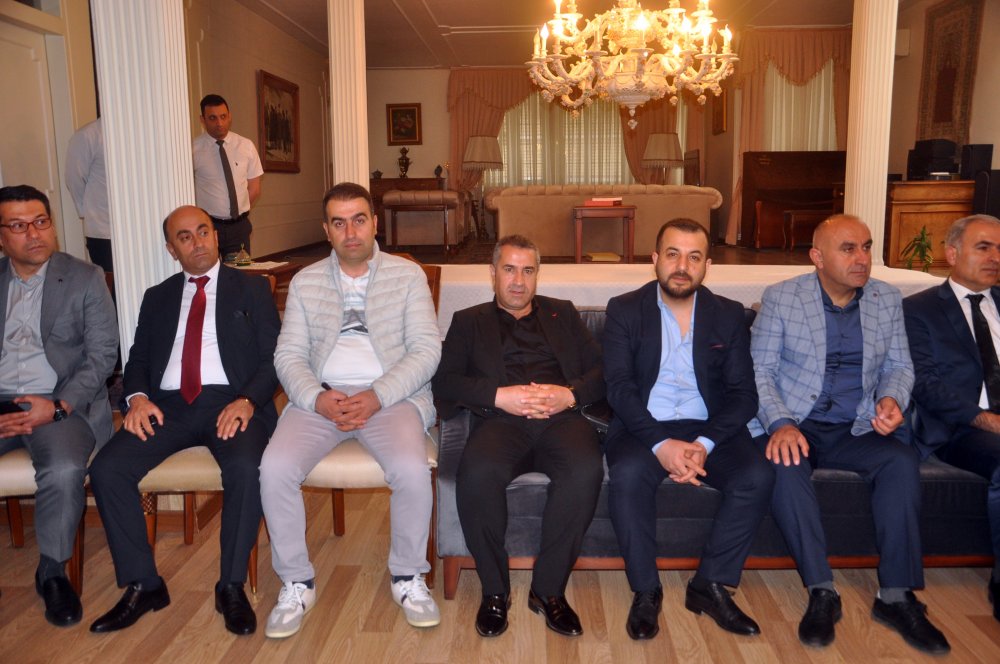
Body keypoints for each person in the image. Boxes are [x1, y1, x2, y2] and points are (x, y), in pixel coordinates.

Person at [750, 214, 949, 654]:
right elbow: (759, 371)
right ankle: (822, 590)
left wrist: (891, 400)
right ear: (817, 257)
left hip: (855, 425)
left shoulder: (886, 299)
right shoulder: (783, 298)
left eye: (866, 247)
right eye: (848, 249)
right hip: (796, 422)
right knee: (784, 466)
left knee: (900, 461)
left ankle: (895, 596)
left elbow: (900, 366)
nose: (862, 258)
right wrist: (781, 423)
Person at [260, 182, 441, 639]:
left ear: (374, 223)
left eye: (359, 219)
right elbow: (289, 355)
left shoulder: (407, 275)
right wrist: (315, 397)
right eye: (339, 223)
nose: (351, 231)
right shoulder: (306, 282)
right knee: (274, 468)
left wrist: (378, 394)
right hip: (321, 400)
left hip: (392, 398)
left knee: (411, 469)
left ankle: (407, 576)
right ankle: (296, 582)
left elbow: (426, 350)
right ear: (326, 230)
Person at [88, 205, 280, 636]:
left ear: (216, 235)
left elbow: (274, 358)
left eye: (203, 231)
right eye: (185, 237)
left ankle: (230, 586)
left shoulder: (252, 289)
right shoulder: (157, 297)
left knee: (247, 467)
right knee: (107, 468)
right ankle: (144, 584)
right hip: (167, 407)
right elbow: (137, 360)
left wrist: (248, 400)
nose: (198, 243)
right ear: (171, 249)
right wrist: (137, 399)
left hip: (230, 401)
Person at [603, 219, 774, 641]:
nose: (682, 266)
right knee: (627, 475)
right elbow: (620, 390)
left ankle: (709, 585)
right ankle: (646, 590)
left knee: (756, 475)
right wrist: (661, 444)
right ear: (655, 259)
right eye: (673, 255)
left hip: (707, 427)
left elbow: (744, 396)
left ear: (707, 265)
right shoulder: (624, 309)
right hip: (644, 426)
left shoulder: (728, 315)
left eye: (694, 257)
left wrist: (703, 443)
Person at [432, 235, 605, 638]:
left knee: (584, 471)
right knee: (477, 474)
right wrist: (499, 396)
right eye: (509, 269)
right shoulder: (468, 320)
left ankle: (548, 591)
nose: (518, 280)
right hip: (500, 422)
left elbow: (604, 371)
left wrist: (569, 394)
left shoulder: (563, 313)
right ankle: (495, 591)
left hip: (561, 421)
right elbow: (446, 381)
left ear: (537, 275)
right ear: (492, 273)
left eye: (528, 271)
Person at [0, 184, 118, 626]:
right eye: (18, 226)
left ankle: (52, 571)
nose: (33, 234)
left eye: (41, 222)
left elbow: (103, 355)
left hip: (60, 403)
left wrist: (58, 405)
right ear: (1, 236)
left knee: (66, 468)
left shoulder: (85, 277)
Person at [903, 213, 1000, 623]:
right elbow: (924, 383)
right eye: (984, 247)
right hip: (959, 428)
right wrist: (986, 420)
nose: (995, 257)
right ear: (952, 253)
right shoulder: (919, 309)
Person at [192, 93, 263, 257]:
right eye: (212, 118)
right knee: (210, 270)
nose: (219, 123)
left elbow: (254, 189)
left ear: (229, 116)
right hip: (208, 227)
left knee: (239, 271)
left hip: (239, 227)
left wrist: (235, 213)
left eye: (223, 117)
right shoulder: (193, 149)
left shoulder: (246, 146)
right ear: (202, 120)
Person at [64, 117, 113, 273]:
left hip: (137, 228)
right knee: (109, 284)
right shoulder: (88, 135)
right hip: (103, 232)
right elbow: (74, 179)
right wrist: (86, 211)